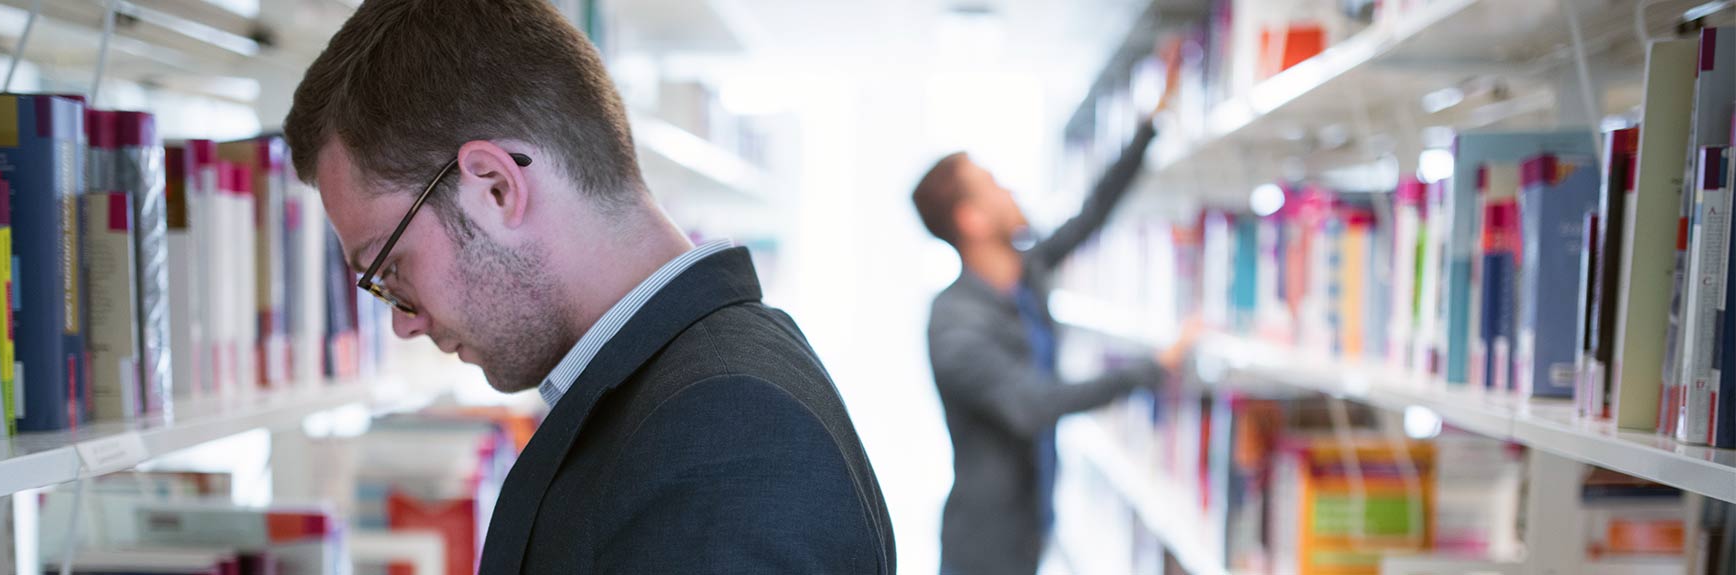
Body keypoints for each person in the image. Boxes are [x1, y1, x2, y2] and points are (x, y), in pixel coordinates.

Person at [283, 0, 894, 572]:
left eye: (389, 267)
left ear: (496, 187)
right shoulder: (685, 394)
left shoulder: (724, 434)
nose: (404, 321)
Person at [914, 62, 1196, 575]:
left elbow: (1090, 216)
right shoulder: (953, 325)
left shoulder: (1024, 274)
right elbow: (1033, 404)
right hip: (984, 550)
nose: (1010, 190)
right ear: (971, 219)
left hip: (1031, 527)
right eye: (992, 184)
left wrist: (1148, 128)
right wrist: (1149, 369)